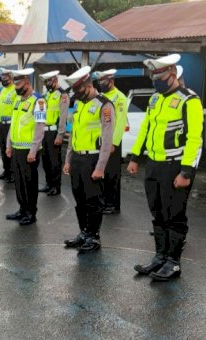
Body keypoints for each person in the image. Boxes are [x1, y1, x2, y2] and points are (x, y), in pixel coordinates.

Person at [127, 54, 203, 281]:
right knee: (157, 212)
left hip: (175, 166)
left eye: (159, 75)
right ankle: (160, 257)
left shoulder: (189, 100)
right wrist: (134, 157)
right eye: (153, 76)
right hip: (154, 165)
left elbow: (194, 139)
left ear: (172, 73)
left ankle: (173, 262)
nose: (155, 80)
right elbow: (145, 129)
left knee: (175, 214)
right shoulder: (155, 100)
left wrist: (186, 171)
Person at [62, 66, 115, 253]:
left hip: (93, 159)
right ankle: (84, 232)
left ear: (89, 84)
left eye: (79, 89)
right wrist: (68, 159)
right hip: (77, 157)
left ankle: (94, 236)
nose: (77, 93)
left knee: (93, 200)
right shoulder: (80, 104)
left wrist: (100, 167)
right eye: (74, 90)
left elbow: (108, 139)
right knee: (80, 199)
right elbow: (73, 133)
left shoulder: (104, 105)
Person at [4, 68, 46, 226]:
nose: (16, 87)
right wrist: (9, 145)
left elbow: (40, 127)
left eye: (19, 84)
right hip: (16, 148)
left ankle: (30, 212)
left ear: (27, 82)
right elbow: (13, 125)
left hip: (29, 151)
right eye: (15, 84)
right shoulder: (18, 100)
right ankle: (22, 208)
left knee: (29, 182)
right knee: (19, 181)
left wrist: (33, 150)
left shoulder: (39, 101)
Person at [93, 69, 127, 215]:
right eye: (99, 82)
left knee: (112, 174)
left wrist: (114, 142)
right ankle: (104, 201)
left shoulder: (120, 97)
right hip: (100, 141)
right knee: (102, 172)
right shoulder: (100, 97)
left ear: (111, 81)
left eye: (103, 82)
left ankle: (113, 205)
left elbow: (120, 122)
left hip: (112, 142)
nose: (101, 84)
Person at [38, 70, 70, 196]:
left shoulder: (62, 95)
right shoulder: (47, 95)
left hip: (54, 132)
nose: (46, 84)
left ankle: (56, 186)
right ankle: (48, 184)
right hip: (44, 132)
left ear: (55, 80)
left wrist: (60, 134)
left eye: (48, 81)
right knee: (45, 160)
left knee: (54, 161)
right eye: (45, 81)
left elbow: (63, 116)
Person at [0, 68, 16, 183]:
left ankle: (12, 172)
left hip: (11, 123)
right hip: (2, 123)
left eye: (5, 77)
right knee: (3, 148)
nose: (3, 79)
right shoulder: (3, 90)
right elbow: (0, 108)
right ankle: (6, 170)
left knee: (9, 148)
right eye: (2, 77)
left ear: (11, 77)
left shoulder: (15, 90)